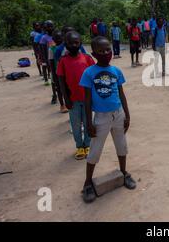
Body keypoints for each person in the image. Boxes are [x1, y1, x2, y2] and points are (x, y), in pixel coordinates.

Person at [80, 36, 136, 203]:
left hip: (118, 114)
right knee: (95, 150)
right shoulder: (89, 73)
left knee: (122, 145)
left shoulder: (116, 71)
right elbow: (87, 100)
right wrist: (89, 123)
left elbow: (121, 94)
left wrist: (127, 114)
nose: (106, 53)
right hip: (101, 118)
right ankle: (87, 183)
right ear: (94, 54)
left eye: (108, 49)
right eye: (101, 51)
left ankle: (124, 172)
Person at [57, 31, 95, 160]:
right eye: (69, 43)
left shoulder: (87, 58)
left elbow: (94, 77)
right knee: (76, 125)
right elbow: (61, 81)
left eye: (76, 42)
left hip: (88, 99)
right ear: (65, 44)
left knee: (88, 122)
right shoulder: (63, 61)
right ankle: (79, 146)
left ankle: (88, 145)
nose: (73, 45)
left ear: (80, 43)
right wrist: (65, 99)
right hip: (72, 100)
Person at [49, 30, 68, 113]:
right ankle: (62, 105)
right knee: (59, 89)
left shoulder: (66, 47)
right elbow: (51, 62)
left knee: (67, 89)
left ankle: (68, 104)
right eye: (56, 38)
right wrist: (53, 74)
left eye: (60, 37)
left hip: (66, 72)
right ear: (53, 39)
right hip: (57, 72)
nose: (58, 39)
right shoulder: (51, 49)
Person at [39, 21, 54, 86]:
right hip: (47, 57)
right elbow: (42, 49)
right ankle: (46, 80)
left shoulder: (56, 35)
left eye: (51, 26)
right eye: (49, 27)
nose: (51, 28)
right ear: (46, 28)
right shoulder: (44, 38)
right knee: (46, 67)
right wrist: (44, 58)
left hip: (54, 56)